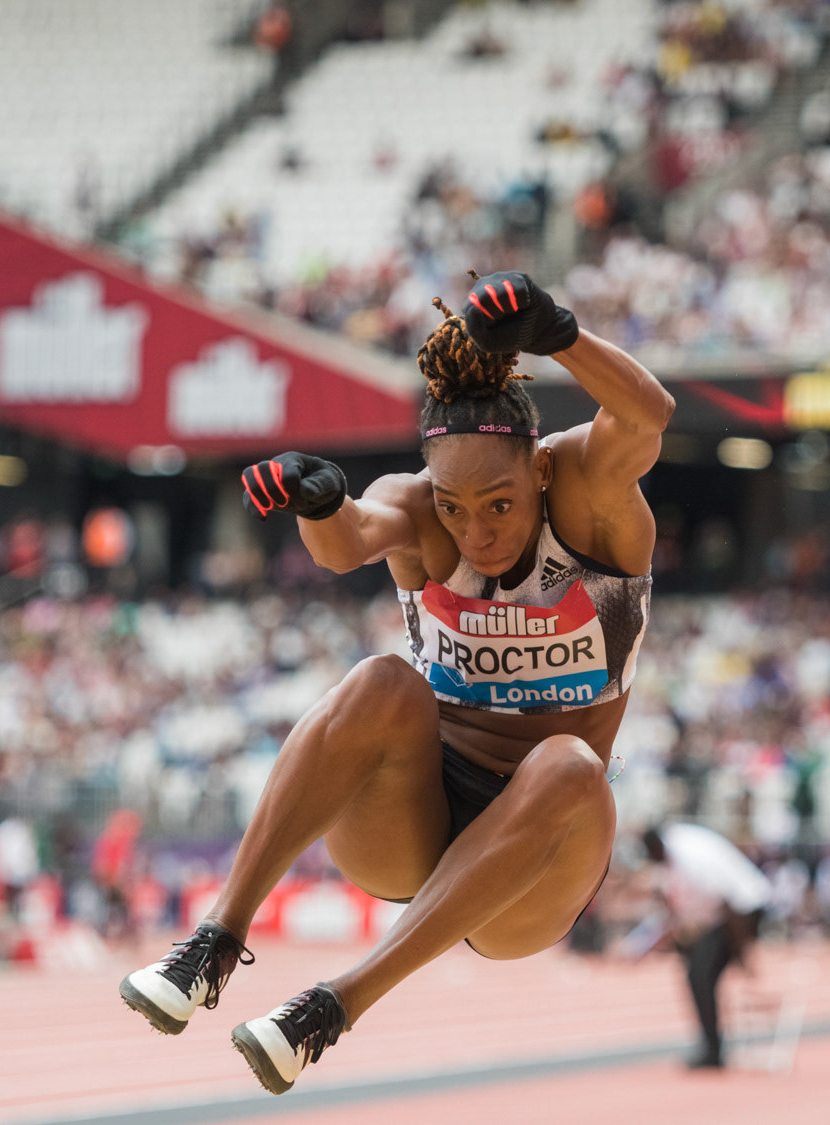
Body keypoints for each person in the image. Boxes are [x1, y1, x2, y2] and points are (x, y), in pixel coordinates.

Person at [120, 270, 675, 1094]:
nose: (476, 533)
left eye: (498, 504)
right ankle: (213, 943)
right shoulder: (414, 506)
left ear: (542, 475)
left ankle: (331, 1008)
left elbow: (648, 415)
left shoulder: (590, 489)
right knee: (384, 679)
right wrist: (316, 502)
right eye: (454, 507)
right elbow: (347, 542)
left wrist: (557, 331)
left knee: (567, 762)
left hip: (534, 856)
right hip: (416, 823)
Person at [640, 822, 773, 1069]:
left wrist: (743, 950)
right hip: (724, 914)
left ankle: (713, 1051)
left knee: (699, 975)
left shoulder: (692, 860)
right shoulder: (673, 848)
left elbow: (730, 903)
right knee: (699, 975)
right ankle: (712, 1047)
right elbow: (676, 910)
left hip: (744, 910)